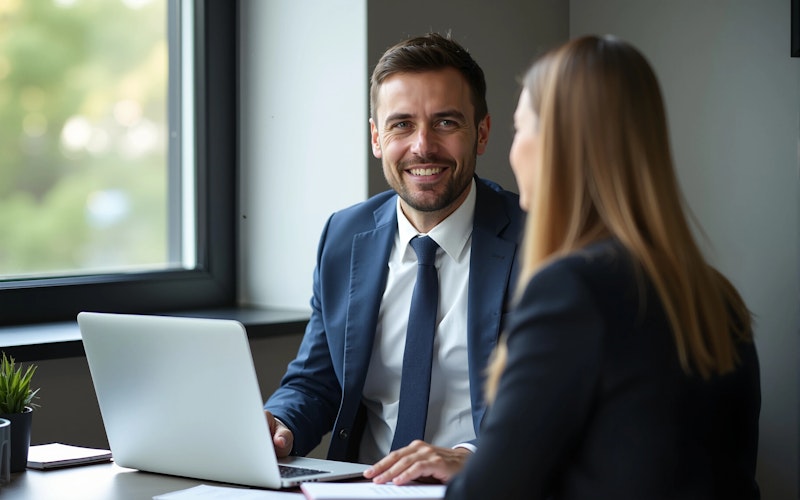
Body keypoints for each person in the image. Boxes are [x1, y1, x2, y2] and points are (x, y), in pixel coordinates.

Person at [444, 35, 761, 499]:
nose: (512, 154)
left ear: (557, 144)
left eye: (519, 130)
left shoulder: (571, 291)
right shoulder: (717, 296)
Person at [263, 32, 524, 483]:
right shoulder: (344, 235)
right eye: (401, 124)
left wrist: (472, 457)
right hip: (358, 488)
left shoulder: (538, 239)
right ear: (376, 138)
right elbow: (315, 381)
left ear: (481, 133)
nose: (422, 146)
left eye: (446, 123)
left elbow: (557, 402)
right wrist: (279, 424)